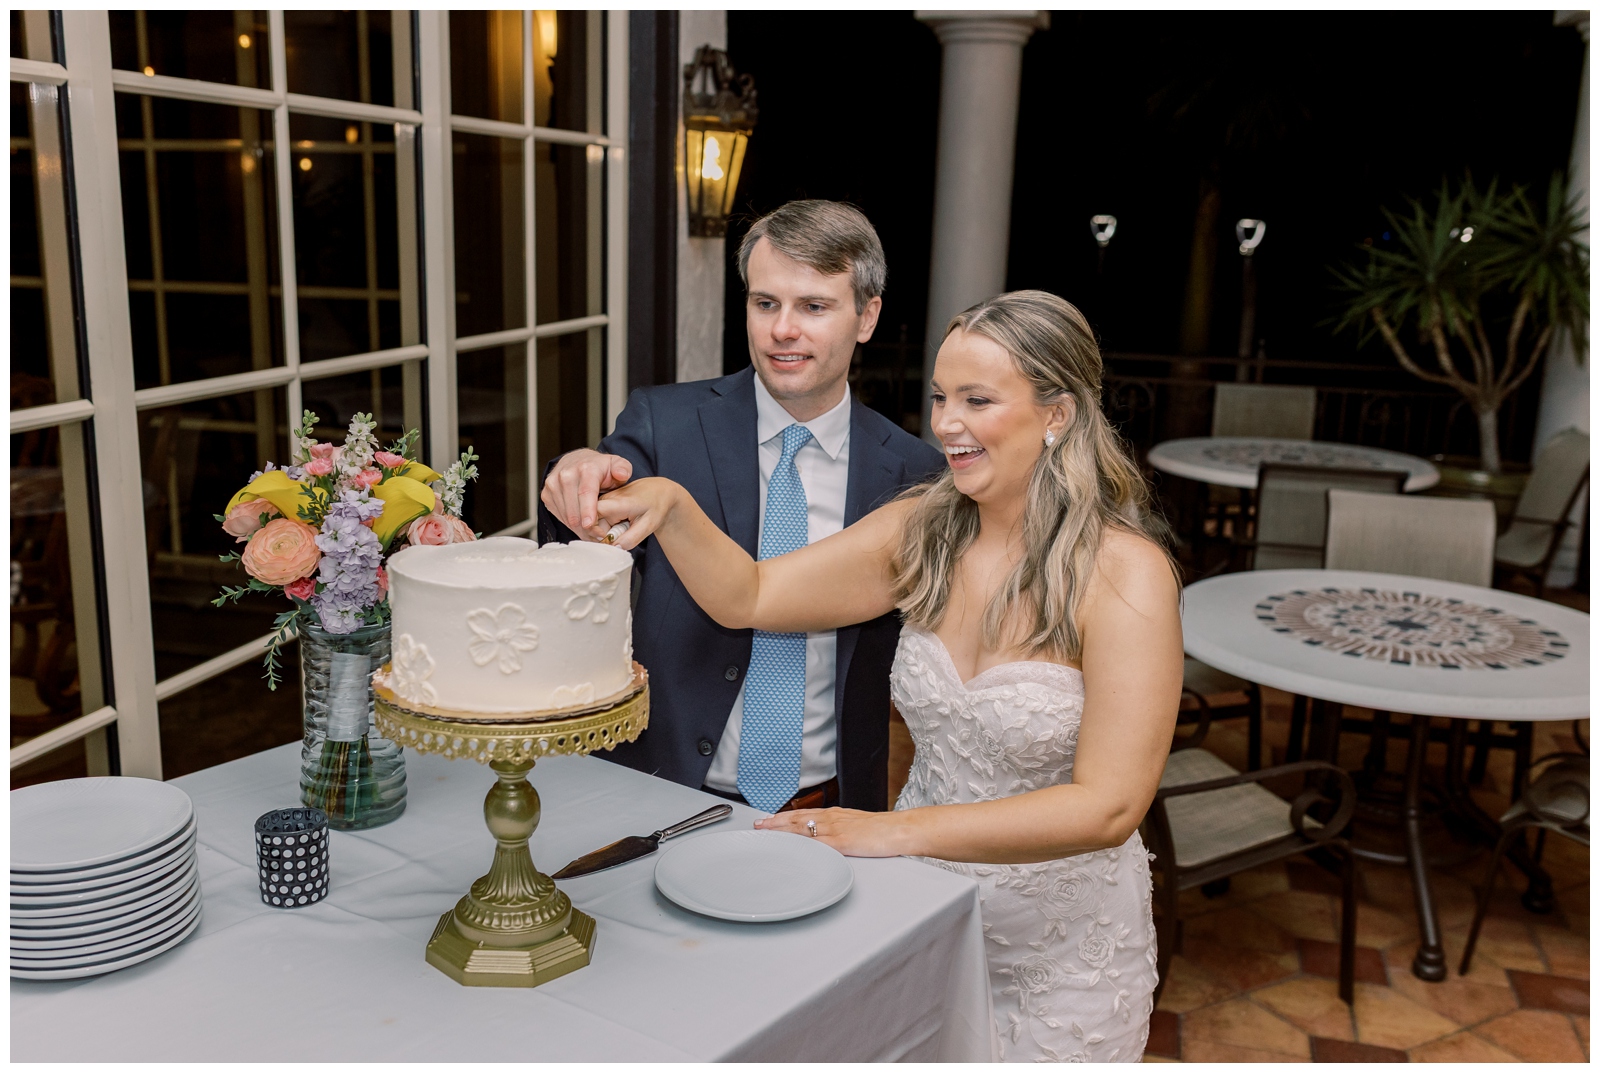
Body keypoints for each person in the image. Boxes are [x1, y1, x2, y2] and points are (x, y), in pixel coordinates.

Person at [592, 290, 1183, 1062]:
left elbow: (1109, 805)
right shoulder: (923, 527)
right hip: (920, 912)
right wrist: (672, 505)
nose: (946, 423)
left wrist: (889, 831)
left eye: (977, 400)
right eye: (940, 397)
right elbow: (752, 596)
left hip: (1064, 955)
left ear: (1057, 414)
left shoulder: (1127, 573)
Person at [539, 200, 944, 815]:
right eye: (765, 304)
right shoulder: (665, 423)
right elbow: (580, 541)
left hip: (830, 808)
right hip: (658, 789)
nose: (783, 329)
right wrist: (573, 473)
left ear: (867, 317)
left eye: (813, 306)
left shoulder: (914, 472)